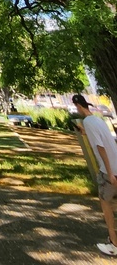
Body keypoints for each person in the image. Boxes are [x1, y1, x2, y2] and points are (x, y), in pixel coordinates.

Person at [72, 93, 117, 256]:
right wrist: (84, 132)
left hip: (109, 171)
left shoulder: (87, 122)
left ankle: (114, 244)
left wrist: (110, 173)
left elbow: (100, 147)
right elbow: (104, 139)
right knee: (111, 204)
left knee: (106, 206)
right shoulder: (97, 120)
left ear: (77, 106)